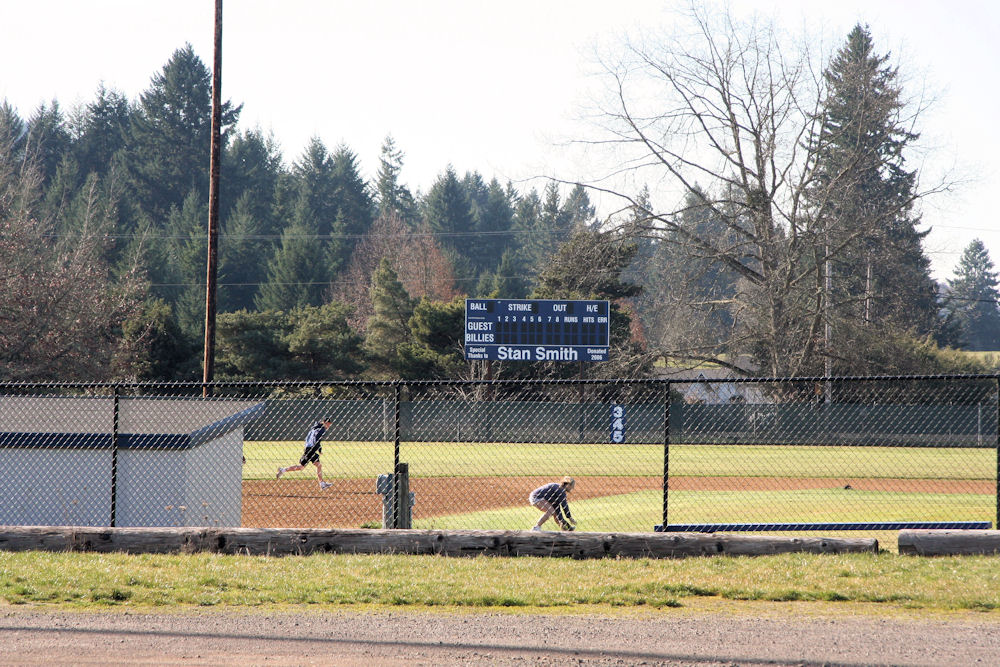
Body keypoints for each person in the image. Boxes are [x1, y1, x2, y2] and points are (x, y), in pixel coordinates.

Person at [277, 418, 334, 490]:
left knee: (310, 466)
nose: (329, 425)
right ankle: (322, 484)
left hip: (309, 448)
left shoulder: (315, 428)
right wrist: (319, 449)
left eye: (330, 423)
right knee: (309, 466)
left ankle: (283, 470)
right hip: (311, 449)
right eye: (328, 423)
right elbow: (317, 439)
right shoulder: (321, 429)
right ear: (325, 422)